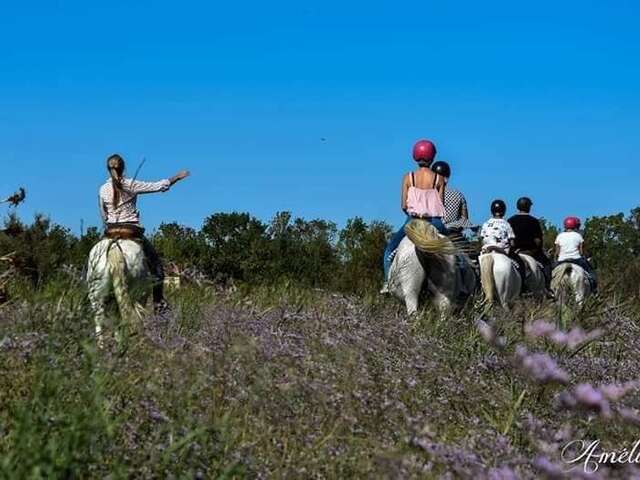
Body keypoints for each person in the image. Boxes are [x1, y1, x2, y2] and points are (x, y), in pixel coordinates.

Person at [99, 153, 190, 313]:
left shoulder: (102, 189)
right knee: (156, 267)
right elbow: (157, 186)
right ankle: (158, 302)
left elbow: (104, 214)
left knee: (91, 262)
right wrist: (177, 177)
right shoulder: (130, 184)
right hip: (130, 230)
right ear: (123, 168)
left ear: (108, 169)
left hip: (110, 231)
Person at [381, 139, 447, 291]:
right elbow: (441, 203)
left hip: (413, 221)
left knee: (389, 251)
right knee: (457, 253)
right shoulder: (440, 179)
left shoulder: (408, 177)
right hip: (434, 222)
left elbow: (403, 205)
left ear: (415, 156)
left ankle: (387, 284)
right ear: (432, 157)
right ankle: (462, 284)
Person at [508, 197, 552, 288]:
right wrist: (536, 250)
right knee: (547, 264)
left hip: (514, 252)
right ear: (528, 207)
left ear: (517, 207)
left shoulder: (510, 220)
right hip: (531, 253)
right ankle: (548, 287)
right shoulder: (534, 221)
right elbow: (538, 240)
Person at [480, 199, 526, 283]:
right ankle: (523, 286)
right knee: (521, 265)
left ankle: (476, 288)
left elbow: (483, 241)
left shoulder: (485, 224)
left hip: (487, 251)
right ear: (504, 211)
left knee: (475, 267)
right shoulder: (506, 224)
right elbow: (512, 242)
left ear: (492, 211)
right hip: (502, 251)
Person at [555, 216, 597, 290]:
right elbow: (581, 252)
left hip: (562, 260)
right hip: (576, 259)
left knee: (552, 274)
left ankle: (549, 290)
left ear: (565, 225)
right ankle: (594, 287)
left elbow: (557, 252)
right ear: (574, 225)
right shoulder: (578, 236)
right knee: (590, 272)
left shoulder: (559, 236)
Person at [431, 161, 473, 234]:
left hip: (434, 232)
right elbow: (465, 219)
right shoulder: (458, 195)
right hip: (453, 233)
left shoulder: (428, 194)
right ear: (447, 178)